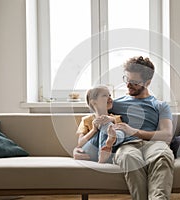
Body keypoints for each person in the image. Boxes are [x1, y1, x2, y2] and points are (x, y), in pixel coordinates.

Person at [73, 56, 174, 200]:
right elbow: (96, 121)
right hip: (125, 145)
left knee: (163, 155)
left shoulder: (160, 105)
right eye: (126, 80)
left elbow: (166, 135)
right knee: (128, 157)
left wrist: (134, 131)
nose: (128, 85)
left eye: (134, 82)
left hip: (153, 144)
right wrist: (78, 148)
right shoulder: (114, 103)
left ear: (148, 82)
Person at [74, 86, 125, 163]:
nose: (109, 98)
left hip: (111, 150)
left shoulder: (116, 118)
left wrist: (111, 120)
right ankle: (104, 151)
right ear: (93, 102)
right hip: (91, 150)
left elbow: (123, 133)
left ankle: (107, 146)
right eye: (105, 95)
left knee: (118, 130)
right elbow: (80, 143)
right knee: (103, 122)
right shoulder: (86, 120)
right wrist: (94, 130)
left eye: (110, 95)